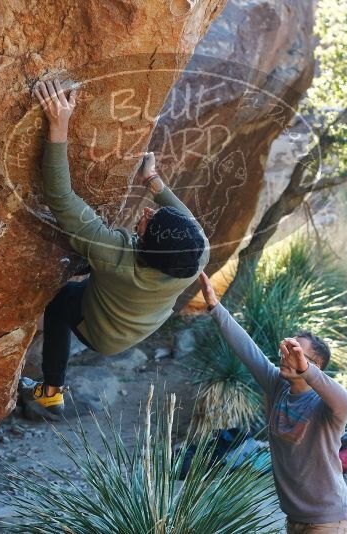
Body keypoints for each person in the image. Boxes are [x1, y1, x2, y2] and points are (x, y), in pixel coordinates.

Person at [19, 80, 209, 418]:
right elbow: (187, 222)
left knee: (60, 304)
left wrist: (59, 126)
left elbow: (61, 198)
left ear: (145, 247)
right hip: (139, 316)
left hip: (105, 333)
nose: (147, 211)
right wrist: (152, 179)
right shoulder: (195, 253)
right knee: (87, 268)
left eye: (149, 221)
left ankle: (51, 392)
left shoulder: (116, 256)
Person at [198, 272, 347, 534]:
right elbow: (248, 350)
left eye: (296, 354)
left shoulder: (325, 406)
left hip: (328, 521)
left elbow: (346, 401)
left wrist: (305, 369)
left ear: (313, 365)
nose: (286, 357)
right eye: (286, 350)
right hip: (293, 519)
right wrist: (215, 307)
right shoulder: (278, 385)